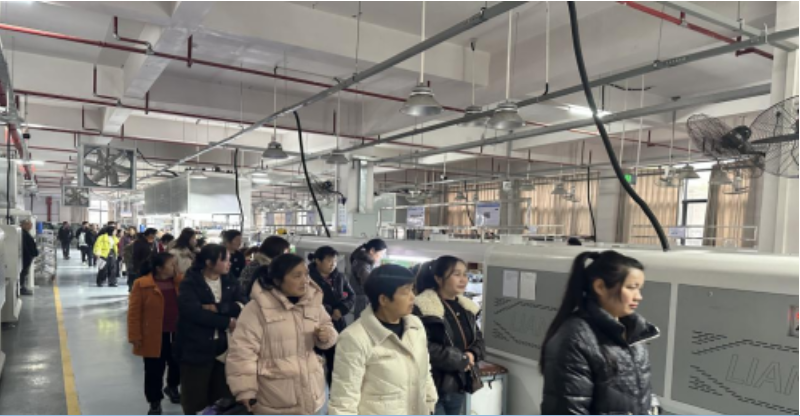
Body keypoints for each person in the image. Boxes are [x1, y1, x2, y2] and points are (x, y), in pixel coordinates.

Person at [540, 251, 659, 415]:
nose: (639, 297)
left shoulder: (635, 333)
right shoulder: (575, 338)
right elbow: (568, 408)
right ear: (600, 287)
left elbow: (642, 395)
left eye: (640, 289)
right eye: (631, 288)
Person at [227, 254, 337, 415]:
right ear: (278, 280)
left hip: (313, 393)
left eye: (306, 274)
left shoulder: (313, 303)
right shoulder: (256, 309)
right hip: (276, 397)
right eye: (297, 276)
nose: (305, 280)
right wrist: (245, 390)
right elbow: (242, 352)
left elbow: (328, 327)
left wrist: (327, 336)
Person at [329, 264, 437, 415]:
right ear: (384, 299)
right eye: (405, 292)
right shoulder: (354, 337)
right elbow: (344, 400)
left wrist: (430, 403)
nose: (413, 297)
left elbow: (425, 371)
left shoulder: (415, 326)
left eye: (413, 289)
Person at [174, 244, 244, 415]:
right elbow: (194, 313)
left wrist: (217, 308)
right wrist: (226, 322)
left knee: (222, 398)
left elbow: (243, 304)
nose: (229, 263)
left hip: (225, 348)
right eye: (224, 260)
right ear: (209, 262)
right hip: (196, 348)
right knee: (194, 398)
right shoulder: (191, 282)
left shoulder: (230, 281)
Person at [413, 256, 485, 415]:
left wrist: (472, 354)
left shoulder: (467, 308)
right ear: (438, 279)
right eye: (456, 274)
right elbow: (423, 346)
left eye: (465, 274)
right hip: (432, 385)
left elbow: (478, 339)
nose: (463, 279)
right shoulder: (423, 308)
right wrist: (460, 359)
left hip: (458, 384)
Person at [128, 252, 184, 415]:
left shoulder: (180, 282)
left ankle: (172, 387)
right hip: (153, 335)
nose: (175, 267)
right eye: (171, 264)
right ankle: (154, 401)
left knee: (177, 364)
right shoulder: (142, 284)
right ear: (159, 268)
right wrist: (135, 335)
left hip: (178, 333)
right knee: (154, 370)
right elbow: (134, 313)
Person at [307, 246, 355, 384]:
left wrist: (342, 309)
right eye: (329, 260)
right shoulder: (307, 278)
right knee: (313, 361)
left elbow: (351, 295)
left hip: (337, 323)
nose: (333, 264)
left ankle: (333, 391)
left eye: (335, 261)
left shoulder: (339, 277)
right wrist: (328, 310)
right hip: (315, 325)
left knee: (336, 361)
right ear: (318, 261)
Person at [238, 236, 290, 302]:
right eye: (285, 251)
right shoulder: (260, 267)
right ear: (277, 251)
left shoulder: (260, 263)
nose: (287, 254)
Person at [348, 238, 387, 319]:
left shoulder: (365, 262)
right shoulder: (363, 265)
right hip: (363, 301)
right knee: (363, 323)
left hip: (364, 299)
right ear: (372, 251)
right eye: (381, 253)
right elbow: (369, 284)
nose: (381, 257)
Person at [19, 220, 38, 296]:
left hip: (28, 257)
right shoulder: (22, 234)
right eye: (29, 225)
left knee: (25, 272)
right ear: (24, 225)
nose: (31, 227)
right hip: (25, 257)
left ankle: (22, 287)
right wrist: (29, 254)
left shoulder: (25, 233)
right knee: (23, 273)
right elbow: (24, 246)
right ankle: (21, 288)